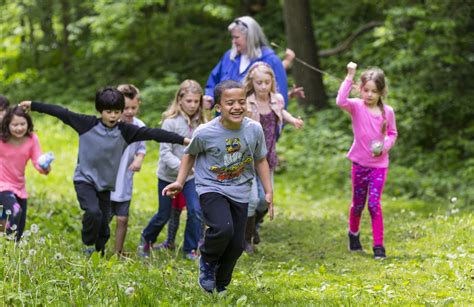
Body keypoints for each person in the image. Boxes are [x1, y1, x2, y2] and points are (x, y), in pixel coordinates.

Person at [19, 87, 189, 255]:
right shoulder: (86, 124)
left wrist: (183, 140)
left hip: (105, 185)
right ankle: (88, 244)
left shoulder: (125, 131)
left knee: (104, 227)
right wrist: (33, 105)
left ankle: (98, 251)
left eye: (117, 112)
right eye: (109, 111)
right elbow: (60, 112)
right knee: (93, 212)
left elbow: (153, 133)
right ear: (101, 111)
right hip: (84, 180)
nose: (113, 116)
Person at [163, 80, 273, 294]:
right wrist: (179, 181)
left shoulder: (254, 129)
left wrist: (268, 191)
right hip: (211, 187)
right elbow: (190, 154)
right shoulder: (205, 132)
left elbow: (260, 159)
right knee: (223, 228)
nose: (237, 107)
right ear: (218, 108)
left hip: (240, 189)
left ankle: (221, 283)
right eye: (230, 102)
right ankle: (207, 259)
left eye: (241, 102)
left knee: (237, 244)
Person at [336, 61, 398, 259]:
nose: (369, 95)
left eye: (374, 91)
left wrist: (385, 147)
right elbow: (340, 101)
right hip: (359, 164)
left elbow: (392, 133)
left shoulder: (387, 112)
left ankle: (379, 246)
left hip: (379, 166)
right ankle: (353, 234)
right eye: (366, 90)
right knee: (358, 204)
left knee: (373, 204)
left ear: (381, 92)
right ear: (360, 89)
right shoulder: (356, 107)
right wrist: (349, 75)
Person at [140, 80, 207, 260]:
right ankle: (146, 239)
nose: (193, 105)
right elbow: (165, 153)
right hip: (168, 176)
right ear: (180, 100)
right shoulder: (170, 122)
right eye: (189, 101)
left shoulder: (202, 123)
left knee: (195, 210)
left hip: (191, 178)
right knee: (164, 214)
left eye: (196, 101)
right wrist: (184, 169)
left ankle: (189, 249)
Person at [243, 62, 304, 253]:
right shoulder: (246, 102)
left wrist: (292, 119)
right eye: (259, 82)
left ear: (271, 83)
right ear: (252, 83)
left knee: (265, 200)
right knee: (252, 200)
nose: (262, 86)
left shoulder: (277, 99)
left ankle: (255, 226)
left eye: (266, 82)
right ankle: (247, 239)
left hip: (268, 155)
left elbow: (281, 112)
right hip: (248, 158)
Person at [204, 16, 288, 109]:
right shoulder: (229, 57)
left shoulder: (271, 60)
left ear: (250, 37)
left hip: (257, 121)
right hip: (224, 120)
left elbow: (281, 98)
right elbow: (213, 82)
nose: (233, 41)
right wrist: (210, 97)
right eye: (232, 37)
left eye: (236, 37)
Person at [0, 106, 51, 240]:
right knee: (15, 210)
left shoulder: (32, 139)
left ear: (28, 124)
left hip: (19, 186)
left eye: (22, 124)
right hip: (2, 185)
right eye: (15, 125)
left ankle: (12, 251)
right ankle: (6, 245)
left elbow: (37, 160)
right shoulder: (2, 139)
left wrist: (45, 168)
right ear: (7, 125)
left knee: (20, 228)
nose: (19, 128)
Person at [108, 84, 146, 255]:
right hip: (108, 180)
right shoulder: (110, 124)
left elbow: (141, 148)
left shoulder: (139, 126)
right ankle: (95, 246)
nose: (130, 112)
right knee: (104, 218)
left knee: (122, 218)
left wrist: (138, 159)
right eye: (126, 108)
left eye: (134, 107)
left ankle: (118, 251)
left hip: (125, 179)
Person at [0, 95, 11, 231]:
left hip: (6, 180)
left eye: (2, 111)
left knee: (3, 213)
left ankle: (4, 242)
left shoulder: (11, 131)